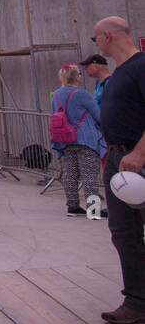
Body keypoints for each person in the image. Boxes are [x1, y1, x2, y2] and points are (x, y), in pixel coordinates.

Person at [92, 17, 145, 324]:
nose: (96, 44)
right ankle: (138, 299)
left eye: (96, 38)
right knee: (124, 231)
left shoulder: (139, 67)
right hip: (118, 160)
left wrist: (139, 153)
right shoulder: (118, 75)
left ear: (108, 36)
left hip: (135, 160)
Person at [50, 64, 105, 218]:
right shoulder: (82, 94)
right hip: (85, 139)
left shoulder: (56, 94)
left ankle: (73, 206)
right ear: (76, 77)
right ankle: (94, 210)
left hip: (65, 140)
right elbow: (98, 115)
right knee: (89, 176)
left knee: (70, 175)